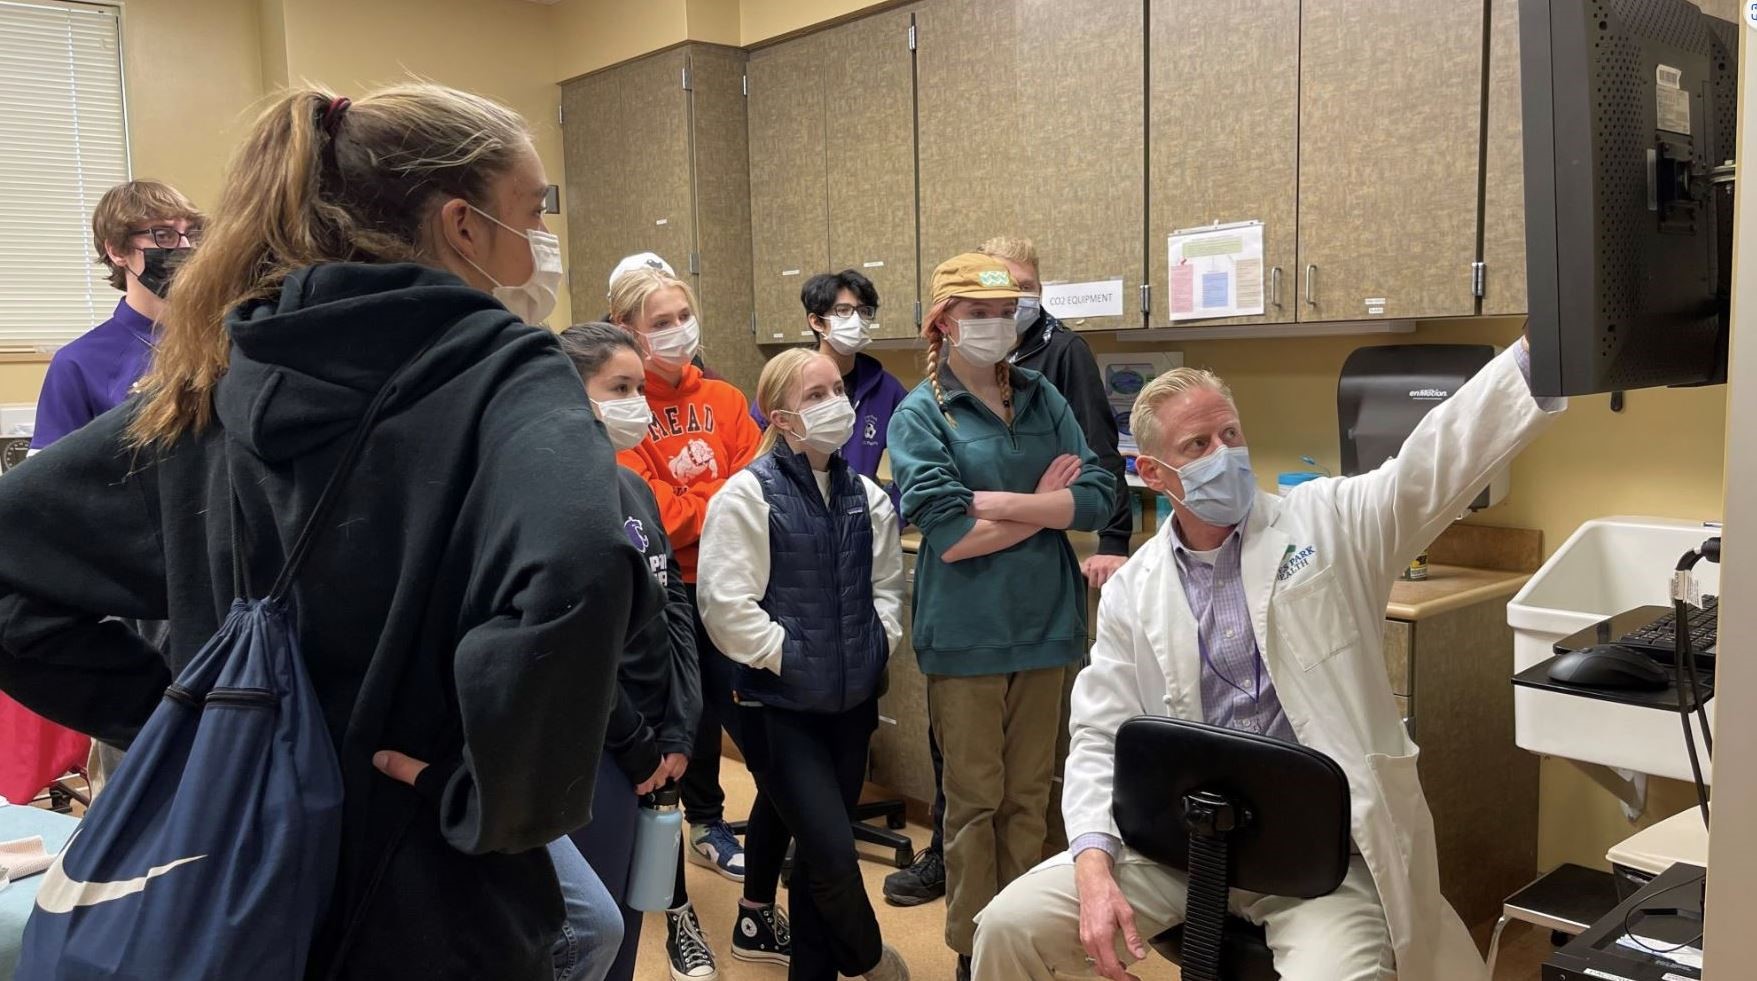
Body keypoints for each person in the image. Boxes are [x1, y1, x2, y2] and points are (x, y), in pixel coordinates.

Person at [0, 84, 658, 980]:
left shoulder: (212, 386)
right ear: (462, 226)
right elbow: (581, 565)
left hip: (233, 867)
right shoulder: (509, 378)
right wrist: (497, 793)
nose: (542, 234)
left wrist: (174, 711)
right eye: (533, 208)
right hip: (426, 889)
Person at [971, 341, 1566, 981]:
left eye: (1230, 433)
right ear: (1154, 472)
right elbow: (1099, 734)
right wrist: (1091, 865)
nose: (1223, 454)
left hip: (1317, 857)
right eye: (1197, 446)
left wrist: (1543, 352)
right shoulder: (1132, 590)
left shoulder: (1331, 522)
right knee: (1009, 929)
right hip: (1180, 847)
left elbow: (1435, 461)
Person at [884, 237, 1134, 908]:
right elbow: (953, 536)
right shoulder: (920, 415)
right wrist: (1047, 509)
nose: (998, 321)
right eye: (979, 309)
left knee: (1032, 798)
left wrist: (1003, 502)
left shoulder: (1040, 394)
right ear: (942, 320)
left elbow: (1097, 495)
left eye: (1007, 307)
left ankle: (1021, 940)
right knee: (972, 804)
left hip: (1048, 627)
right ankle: (974, 946)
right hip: (968, 634)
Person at [698, 349, 911, 981]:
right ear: (784, 417)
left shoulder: (865, 497)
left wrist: (877, 644)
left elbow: (887, 590)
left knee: (821, 862)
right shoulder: (747, 495)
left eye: (836, 390)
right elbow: (724, 605)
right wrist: (788, 655)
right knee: (833, 852)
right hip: (779, 708)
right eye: (815, 395)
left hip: (851, 708)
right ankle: (868, 956)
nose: (835, 403)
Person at [608, 267, 787, 979]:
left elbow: (758, 492)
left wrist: (690, 499)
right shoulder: (620, 402)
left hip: (736, 597)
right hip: (659, 601)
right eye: (661, 318)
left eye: (684, 311)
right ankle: (679, 915)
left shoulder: (725, 397)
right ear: (627, 330)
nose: (679, 326)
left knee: (774, 759)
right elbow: (646, 514)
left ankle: (754, 909)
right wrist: (709, 501)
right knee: (665, 769)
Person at [0, 179, 203, 806]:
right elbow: (49, 506)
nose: (184, 248)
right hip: (137, 590)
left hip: (221, 575)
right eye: (163, 237)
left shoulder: (225, 341)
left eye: (192, 234)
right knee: (147, 772)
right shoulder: (82, 362)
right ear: (118, 251)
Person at [556, 322, 705, 981]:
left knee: (630, 913)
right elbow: (576, 638)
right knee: (594, 927)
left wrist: (681, 721)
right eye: (618, 388)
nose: (636, 404)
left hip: (654, 738)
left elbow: (673, 603)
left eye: (638, 388)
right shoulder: (558, 497)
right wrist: (638, 740)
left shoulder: (634, 487)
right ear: (571, 392)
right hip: (598, 745)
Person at [751, 270, 908, 516]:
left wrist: (891, 513)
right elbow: (755, 455)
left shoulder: (887, 390)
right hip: (793, 521)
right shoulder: (786, 383)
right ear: (816, 321)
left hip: (857, 519)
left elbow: (916, 457)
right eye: (843, 311)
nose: (856, 319)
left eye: (864, 311)